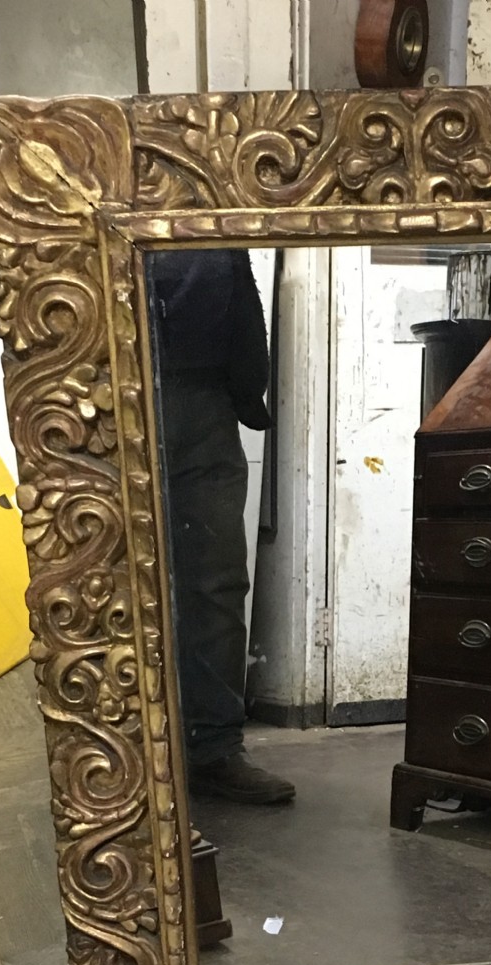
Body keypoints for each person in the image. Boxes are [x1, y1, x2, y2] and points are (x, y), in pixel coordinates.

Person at [150, 248, 295, 804]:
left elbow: (241, 293)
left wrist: (244, 390)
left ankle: (213, 749)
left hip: (204, 400)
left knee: (216, 581)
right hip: (111, 392)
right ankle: (117, 752)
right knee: (111, 583)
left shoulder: (204, 190)